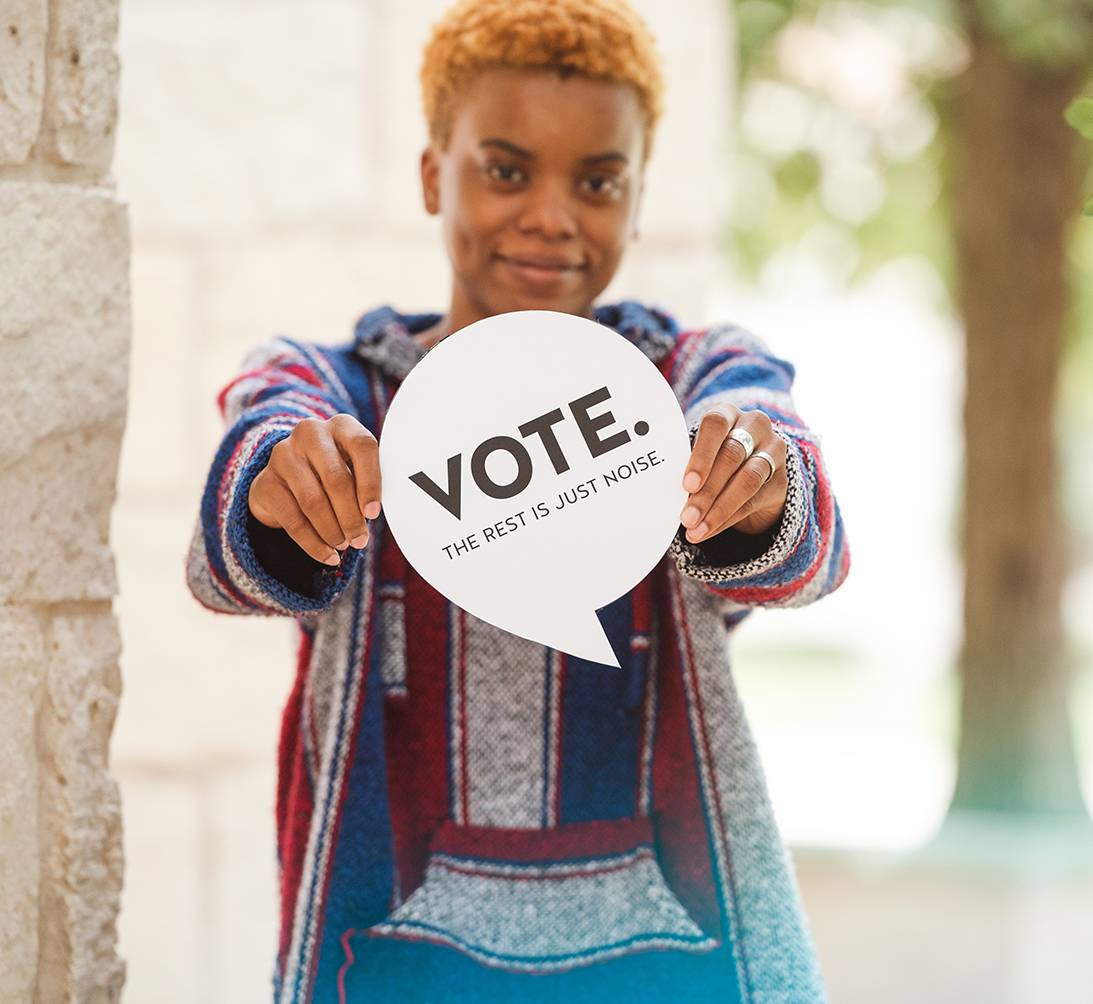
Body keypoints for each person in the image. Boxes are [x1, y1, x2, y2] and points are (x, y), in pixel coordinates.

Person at [185, 1, 851, 1001]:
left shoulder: (691, 378)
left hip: (667, 957)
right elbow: (226, 546)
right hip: (393, 957)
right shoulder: (331, 391)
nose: (550, 214)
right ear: (430, 174)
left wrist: (757, 485)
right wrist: (284, 489)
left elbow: (805, 529)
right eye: (505, 169)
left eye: (596, 180)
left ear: (635, 198)